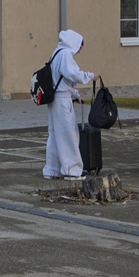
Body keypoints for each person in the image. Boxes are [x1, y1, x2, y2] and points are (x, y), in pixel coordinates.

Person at [42, 29, 95, 180]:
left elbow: (60, 77)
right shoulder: (65, 54)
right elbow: (73, 74)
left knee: (54, 134)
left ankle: (51, 169)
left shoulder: (57, 53)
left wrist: (74, 94)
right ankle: (72, 170)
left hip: (55, 98)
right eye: (79, 47)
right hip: (62, 99)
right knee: (68, 134)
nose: (79, 51)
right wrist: (90, 76)